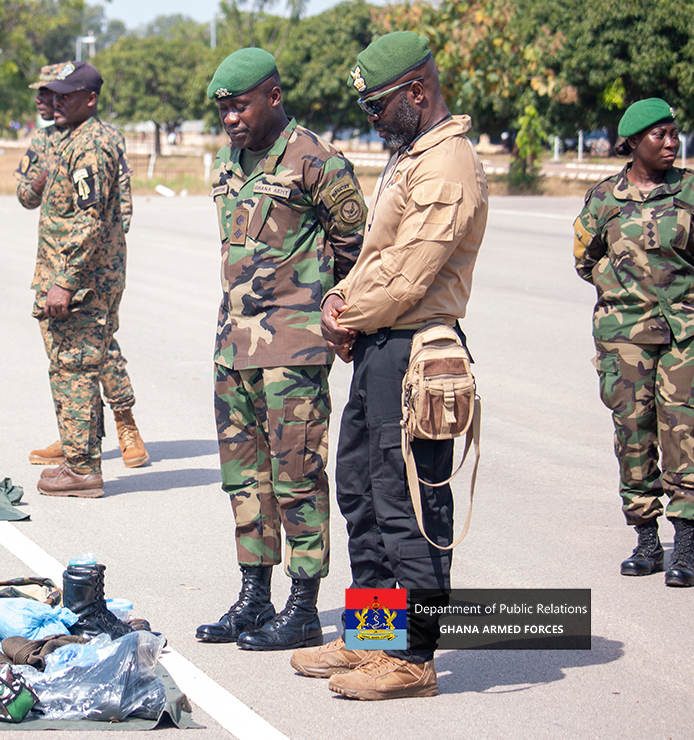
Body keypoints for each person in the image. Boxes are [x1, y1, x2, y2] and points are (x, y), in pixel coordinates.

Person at [294, 32, 488, 699]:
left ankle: (413, 659)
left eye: (378, 106)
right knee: (362, 493)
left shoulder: (447, 163)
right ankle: (373, 640)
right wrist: (343, 300)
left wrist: (343, 313)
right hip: (381, 346)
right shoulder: (412, 156)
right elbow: (381, 257)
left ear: (416, 91)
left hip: (414, 350)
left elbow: (409, 275)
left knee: (409, 506)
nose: (371, 119)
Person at [195, 48, 366, 652]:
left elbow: (355, 248)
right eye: (223, 110)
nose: (231, 120)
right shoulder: (226, 161)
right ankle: (253, 600)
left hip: (292, 349)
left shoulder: (316, 160)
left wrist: (335, 313)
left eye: (239, 106)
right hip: (232, 348)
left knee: (297, 477)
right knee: (246, 481)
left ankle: (302, 607)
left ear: (272, 95)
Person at [573, 98, 694, 588]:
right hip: (624, 339)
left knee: (685, 431)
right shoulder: (605, 199)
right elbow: (584, 259)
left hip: (686, 333)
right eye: (659, 135)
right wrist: (623, 292)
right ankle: (646, 540)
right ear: (633, 143)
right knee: (633, 433)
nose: (671, 142)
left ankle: (685, 543)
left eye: (674, 132)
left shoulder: (689, 191)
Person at [19, 62, 147, 470]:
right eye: (46, 93)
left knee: (93, 352)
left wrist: (103, 250)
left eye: (60, 94)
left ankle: (121, 427)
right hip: (60, 266)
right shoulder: (46, 140)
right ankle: (77, 436)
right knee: (73, 359)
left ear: (87, 99)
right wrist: (40, 180)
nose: (49, 101)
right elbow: (24, 193)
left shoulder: (98, 139)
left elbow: (112, 205)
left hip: (88, 269)